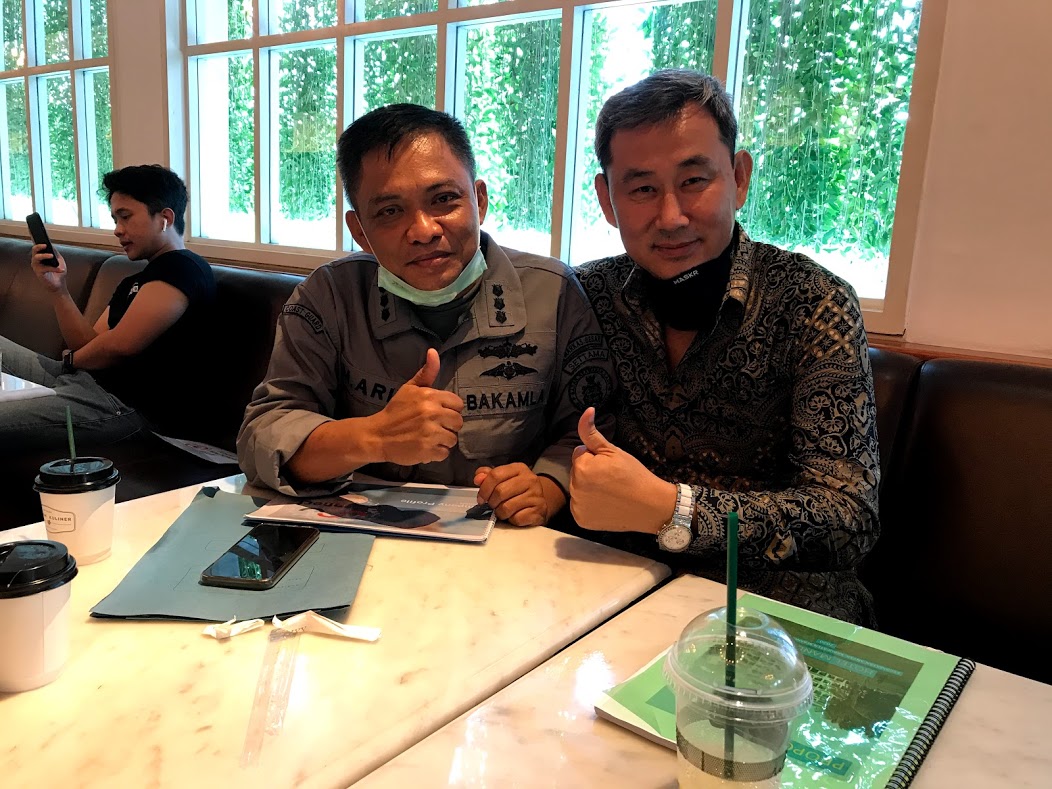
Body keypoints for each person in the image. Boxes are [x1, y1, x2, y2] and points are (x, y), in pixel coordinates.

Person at [569, 70, 880, 625]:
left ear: (739, 177)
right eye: (642, 189)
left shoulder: (813, 301)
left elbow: (848, 517)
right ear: (606, 200)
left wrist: (672, 509)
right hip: (619, 595)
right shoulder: (587, 295)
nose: (671, 217)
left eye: (694, 180)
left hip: (779, 615)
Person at [238, 104, 614, 528]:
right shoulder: (329, 297)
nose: (423, 230)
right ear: (360, 230)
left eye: (444, 200)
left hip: (508, 543)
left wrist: (546, 487)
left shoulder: (555, 292)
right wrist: (373, 437)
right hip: (361, 536)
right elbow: (263, 433)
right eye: (389, 211)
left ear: (479, 200)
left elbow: (591, 429)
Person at [0, 164, 216, 452]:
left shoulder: (184, 268)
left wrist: (71, 362)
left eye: (125, 217)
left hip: (123, 406)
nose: (117, 230)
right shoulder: (134, 281)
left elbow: (120, 346)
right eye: (115, 219)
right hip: (86, 385)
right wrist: (58, 289)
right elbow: (88, 344)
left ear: (165, 218)